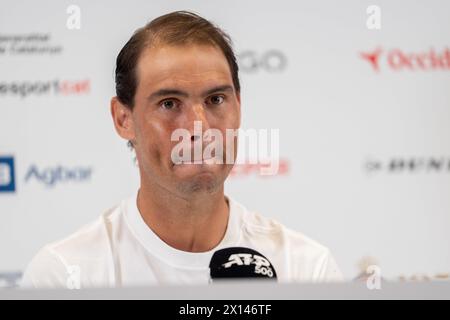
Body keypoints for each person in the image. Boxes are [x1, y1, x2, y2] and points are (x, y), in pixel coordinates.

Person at [22, 11, 343, 288]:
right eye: (169, 103)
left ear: (239, 107)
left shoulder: (306, 270)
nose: (199, 127)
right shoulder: (64, 274)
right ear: (123, 119)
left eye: (215, 99)